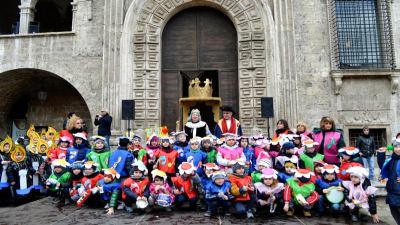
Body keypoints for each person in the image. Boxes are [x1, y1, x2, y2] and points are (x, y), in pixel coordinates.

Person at [380, 140, 400, 224]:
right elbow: (382, 166)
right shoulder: (390, 158)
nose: (398, 149)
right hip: (392, 188)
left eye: (399, 147)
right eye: (396, 147)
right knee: (393, 209)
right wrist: (381, 154)